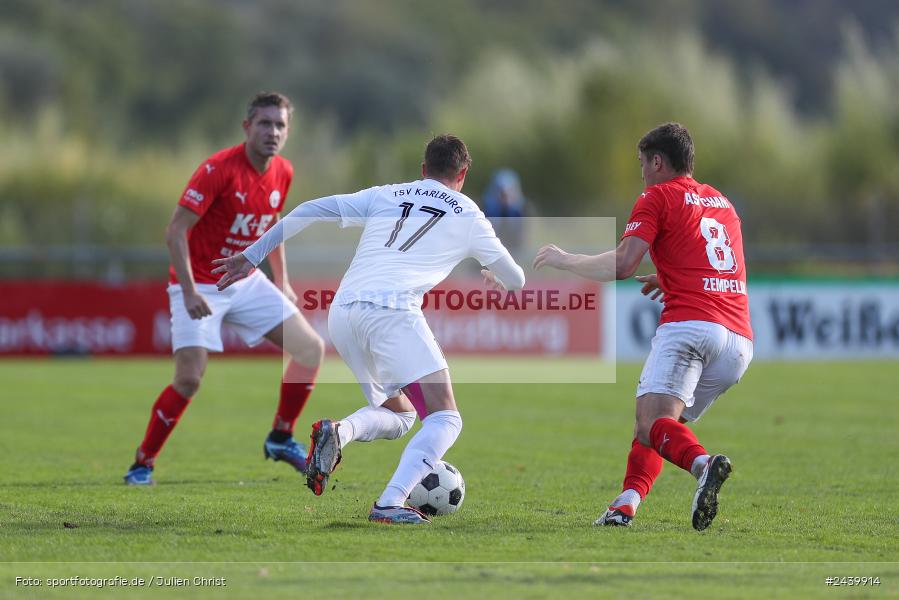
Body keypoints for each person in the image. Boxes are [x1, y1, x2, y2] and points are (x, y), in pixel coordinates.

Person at [212, 134, 526, 524]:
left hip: (343, 313)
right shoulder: (468, 213)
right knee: (446, 418)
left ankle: (339, 432)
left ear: (423, 169)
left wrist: (250, 256)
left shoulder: (387, 194)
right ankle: (390, 502)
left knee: (400, 415)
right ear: (462, 175)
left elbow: (308, 209)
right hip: (391, 312)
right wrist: (496, 274)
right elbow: (517, 279)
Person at [534, 122, 753, 530]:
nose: (641, 173)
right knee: (660, 426)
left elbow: (623, 264)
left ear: (657, 162)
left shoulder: (657, 196)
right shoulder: (721, 201)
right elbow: (722, 265)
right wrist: (671, 278)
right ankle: (626, 504)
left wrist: (566, 260)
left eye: (641, 163)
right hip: (738, 341)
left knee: (653, 424)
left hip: (691, 326)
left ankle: (704, 465)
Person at [123, 92, 325, 485]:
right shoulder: (218, 169)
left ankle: (281, 437)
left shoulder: (283, 170)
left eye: (280, 125)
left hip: (246, 281)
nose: (272, 132)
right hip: (200, 282)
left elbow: (273, 224)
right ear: (247, 127)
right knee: (189, 379)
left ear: (288, 131)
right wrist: (189, 291)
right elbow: (175, 231)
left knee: (310, 349)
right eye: (264, 123)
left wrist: (282, 279)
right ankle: (142, 463)